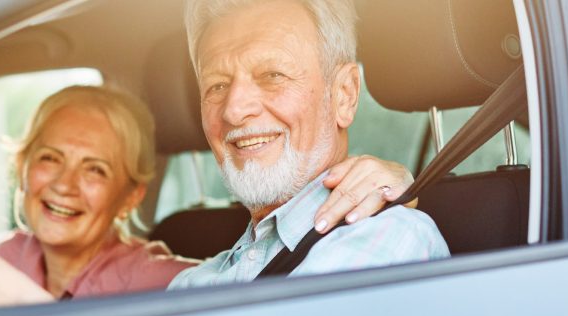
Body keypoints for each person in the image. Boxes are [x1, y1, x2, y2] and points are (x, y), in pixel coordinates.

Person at [0, 81, 420, 305]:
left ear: (130, 197)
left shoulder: (163, 282)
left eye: (94, 169)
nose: (63, 185)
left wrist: (399, 186)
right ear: (23, 167)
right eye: (50, 158)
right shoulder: (6, 255)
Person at [167, 0, 449, 288]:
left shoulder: (389, 239)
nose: (234, 110)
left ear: (344, 94)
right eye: (218, 86)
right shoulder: (189, 284)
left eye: (272, 75)